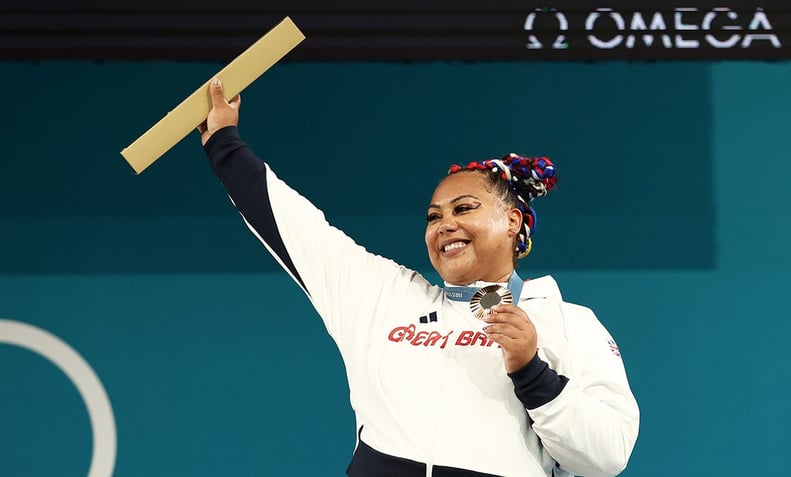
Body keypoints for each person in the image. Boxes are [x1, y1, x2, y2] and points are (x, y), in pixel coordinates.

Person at [198, 78, 639, 477]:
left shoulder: (568, 323)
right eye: (434, 216)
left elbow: (607, 456)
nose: (444, 224)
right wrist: (224, 141)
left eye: (464, 209)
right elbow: (295, 226)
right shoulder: (384, 298)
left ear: (512, 220)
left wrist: (532, 372)